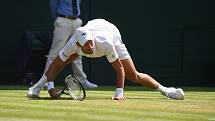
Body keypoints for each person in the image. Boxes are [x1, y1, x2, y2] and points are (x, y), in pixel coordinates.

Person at [33, 19, 185, 100]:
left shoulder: (105, 42)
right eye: (87, 44)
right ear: (78, 44)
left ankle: (166, 91)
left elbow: (119, 68)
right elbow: (55, 65)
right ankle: (38, 87)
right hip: (93, 28)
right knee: (62, 62)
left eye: (91, 42)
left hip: (111, 32)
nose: (91, 46)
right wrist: (51, 88)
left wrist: (119, 93)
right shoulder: (73, 44)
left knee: (133, 75)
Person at [27, 0, 97, 98]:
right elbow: (53, 4)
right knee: (55, 53)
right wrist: (58, 19)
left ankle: (81, 80)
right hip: (63, 20)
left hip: (77, 21)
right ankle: (45, 81)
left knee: (79, 52)